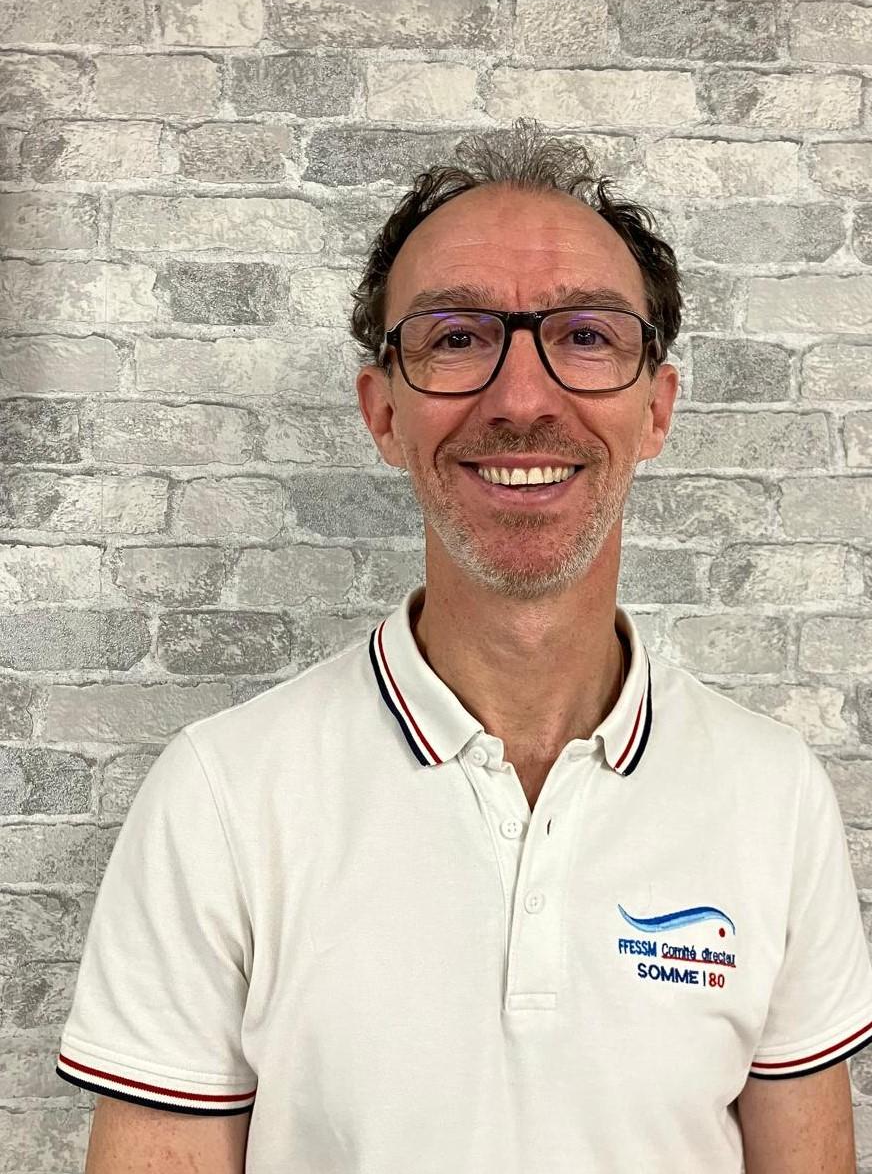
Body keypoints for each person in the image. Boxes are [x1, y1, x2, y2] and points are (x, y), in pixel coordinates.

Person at [56, 117, 872, 1173]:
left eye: (586, 336)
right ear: (382, 413)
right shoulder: (221, 795)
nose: (522, 398)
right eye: (454, 337)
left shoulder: (772, 793)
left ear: (656, 409)